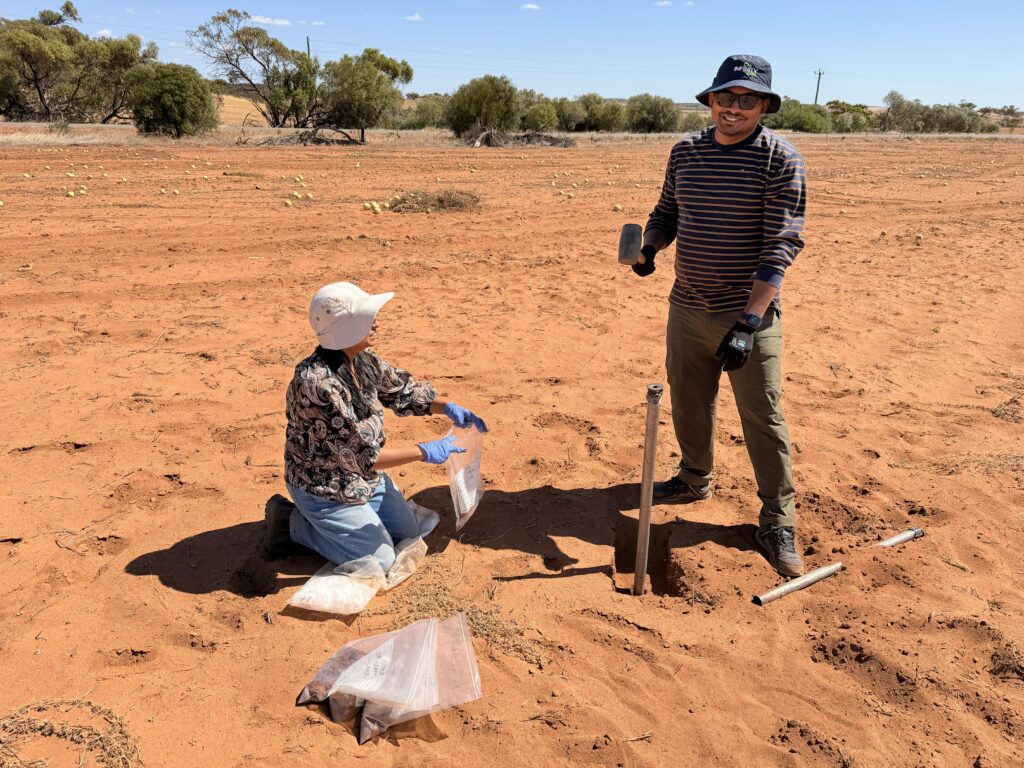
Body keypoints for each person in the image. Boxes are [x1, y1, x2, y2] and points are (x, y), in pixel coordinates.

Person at [632, 55, 807, 577]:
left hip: (746, 313)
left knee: (763, 417)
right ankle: (693, 477)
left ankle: (778, 520)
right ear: (710, 100)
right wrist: (651, 246)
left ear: (764, 106)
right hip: (687, 305)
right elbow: (668, 212)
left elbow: (781, 245)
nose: (733, 108)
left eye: (746, 100)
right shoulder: (686, 150)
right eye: (724, 97)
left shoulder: (780, 159)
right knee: (688, 399)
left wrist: (750, 323)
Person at [264, 282, 487, 574]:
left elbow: (401, 391)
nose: (376, 321)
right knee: (379, 561)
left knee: (407, 533)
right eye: (366, 318)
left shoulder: (361, 359)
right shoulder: (318, 385)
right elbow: (363, 457)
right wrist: (424, 451)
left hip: (363, 479)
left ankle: (348, 523)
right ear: (345, 328)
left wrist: (445, 407)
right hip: (323, 486)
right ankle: (291, 523)